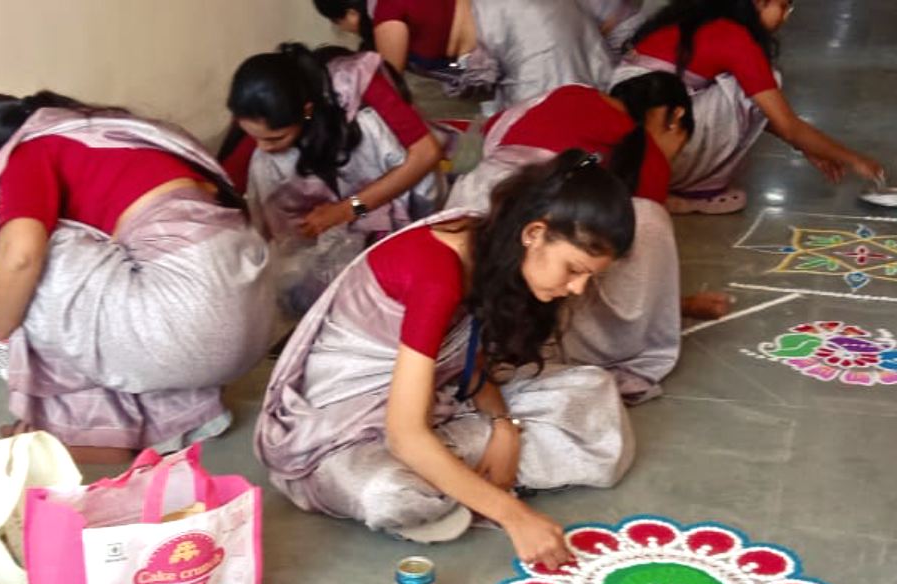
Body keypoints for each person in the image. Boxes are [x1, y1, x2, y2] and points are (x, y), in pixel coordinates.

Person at [256, 150, 636, 568]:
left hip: (432, 399)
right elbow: (404, 435)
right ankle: (461, 473)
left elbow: (466, 358)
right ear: (534, 233)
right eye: (574, 270)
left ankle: (457, 474)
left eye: (589, 276)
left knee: (593, 391)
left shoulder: (489, 245)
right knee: (390, 494)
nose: (578, 289)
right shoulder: (438, 273)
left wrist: (504, 426)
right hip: (344, 427)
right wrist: (514, 516)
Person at [0, 91, 273, 463]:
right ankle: (172, 417)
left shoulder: (27, 153)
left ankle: (85, 430)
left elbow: (21, 257)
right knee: (91, 256)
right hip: (252, 319)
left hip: (188, 325)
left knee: (3, 240)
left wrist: (1, 325)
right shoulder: (106, 134)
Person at [447, 73, 725, 401]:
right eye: (681, 147)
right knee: (649, 223)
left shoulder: (562, 94)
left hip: (469, 199)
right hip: (509, 234)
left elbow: (483, 135)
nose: (674, 160)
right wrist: (668, 307)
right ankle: (594, 341)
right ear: (674, 119)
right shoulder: (642, 152)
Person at [219, 43, 443, 317]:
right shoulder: (262, 120)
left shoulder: (355, 83)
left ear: (307, 110)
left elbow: (426, 154)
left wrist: (346, 210)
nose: (263, 146)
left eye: (275, 138)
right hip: (339, 216)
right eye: (254, 136)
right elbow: (224, 192)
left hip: (391, 194)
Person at [615, 0, 885, 213]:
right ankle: (693, 187)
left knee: (754, 89)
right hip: (656, 139)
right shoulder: (734, 37)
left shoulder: (695, 20)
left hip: (630, 145)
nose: (785, 17)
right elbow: (786, 124)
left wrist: (806, 146)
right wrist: (855, 160)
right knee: (766, 81)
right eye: (783, 6)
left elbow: (765, 115)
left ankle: (672, 181)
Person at [313, 0, 614, 109]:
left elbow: (388, 93)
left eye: (338, 23)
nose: (344, 29)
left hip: (523, 27)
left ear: (350, 13)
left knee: (557, 121)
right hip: (511, 33)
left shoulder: (387, 14)